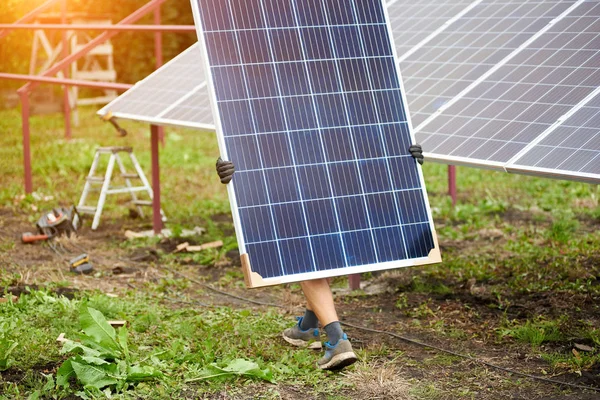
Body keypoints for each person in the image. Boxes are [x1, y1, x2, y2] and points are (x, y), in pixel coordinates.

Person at [216, 145, 424, 370]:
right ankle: (307, 327)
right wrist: (228, 162)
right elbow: (244, 134)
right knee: (318, 251)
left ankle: (337, 341)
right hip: (310, 184)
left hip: (332, 183)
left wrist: (403, 156)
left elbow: (356, 133)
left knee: (306, 258)